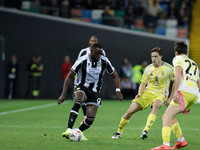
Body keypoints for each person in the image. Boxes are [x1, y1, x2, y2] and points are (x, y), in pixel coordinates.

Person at [58, 43, 123, 140]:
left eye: (100, 54)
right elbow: (69, 76)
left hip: (95, 91)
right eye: (97, 53)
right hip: (82, 87)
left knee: (90, 118)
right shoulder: (82, 60)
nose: (99, 56)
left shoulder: (104, 61)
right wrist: (63, 94)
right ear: (91, 51)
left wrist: (118, 90)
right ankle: (69, 129)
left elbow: (115, 75)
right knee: (79, 101)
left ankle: (77, 132)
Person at [112, 47, 174, 139]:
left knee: (156, 105)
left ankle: (145, 131)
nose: (154, 59)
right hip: (147, 93)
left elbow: (176, 82)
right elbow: (143, 83)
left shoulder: (169, 68)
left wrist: (170, 97)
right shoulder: (148, 68)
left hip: (160, 94)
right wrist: (140, 93)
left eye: (156, 56)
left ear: (161, 56)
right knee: (129, 112)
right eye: (152, 56)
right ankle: (119, 132)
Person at [151, 41, 200, 150]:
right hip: (195, 95)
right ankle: (181, 141)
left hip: (184, 92)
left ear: (176, 52)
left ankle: (166, 145)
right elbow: (198, 82)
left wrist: (174, 93)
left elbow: (177, 76)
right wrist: (190, 103)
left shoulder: (177, 59)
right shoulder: (194, 63)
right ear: (186, 51)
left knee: (166, 116)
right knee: (171, 116)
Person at [76, 35, 106, 124]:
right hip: (82, 80)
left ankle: (87, 117)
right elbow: (78, 64)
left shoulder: (102, 52)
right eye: (92, 41)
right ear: (89, 42)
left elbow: (103, 65)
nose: (93, 42)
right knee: (80, 99)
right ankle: (85, 116)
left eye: (95, 41)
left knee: (90, 100)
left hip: (95, 81)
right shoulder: (83, 52)